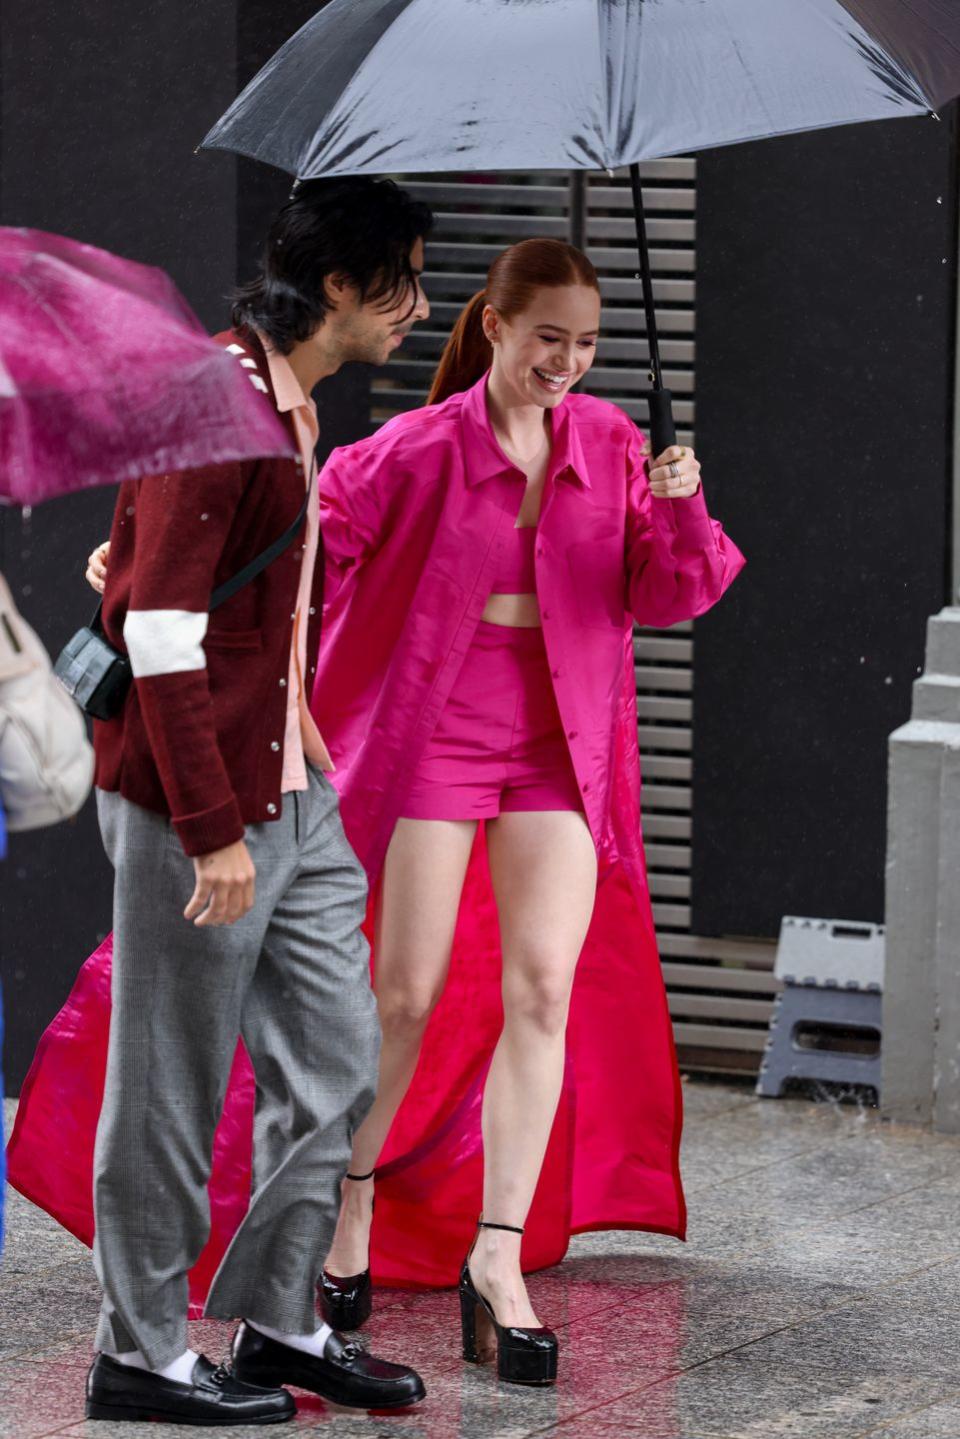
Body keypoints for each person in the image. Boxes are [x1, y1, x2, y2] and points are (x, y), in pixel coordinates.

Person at [74, 237, 744, 1387]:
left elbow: (666, 593)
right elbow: (293, 548)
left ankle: (500, 1261)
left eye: (586, 345)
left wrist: (681, 510)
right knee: (404, 997)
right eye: (548, 339)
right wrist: (143, 559)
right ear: (494, 325)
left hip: (561, 747)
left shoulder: (618, 445)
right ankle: (340, 1237)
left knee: (544, 988)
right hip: (439, 735)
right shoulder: (414, 448)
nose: (568, 363)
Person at [72, 176, 433, 1425]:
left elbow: (186, 589)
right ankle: (144, 1350)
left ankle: (279, 1323)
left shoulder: (286, 410)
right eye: (404, 278)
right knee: (171, 1078)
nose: (421, 307)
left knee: (335, 1059)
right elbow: (165, 634)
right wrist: (213, 829)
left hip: (288, 778)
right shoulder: (219, 405)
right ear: (338, 286)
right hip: (199, 800)